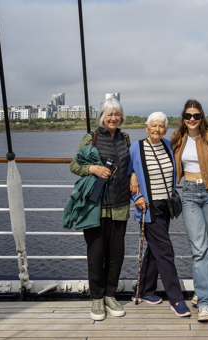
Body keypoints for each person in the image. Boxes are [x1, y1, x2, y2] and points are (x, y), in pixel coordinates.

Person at [69, 98, 132, 321]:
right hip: (96, 206)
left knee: (116, 255)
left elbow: (130, 166)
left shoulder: (125, 138)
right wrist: (92, 168)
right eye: (109, 114)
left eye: (117, 114)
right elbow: (74, 165)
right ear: (102, 116)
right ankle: (97, 297)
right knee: (96, 254)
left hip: (121, 204)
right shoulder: (92, 137)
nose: (113, 118)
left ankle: (110, 295)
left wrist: (133, 176)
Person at [128, 111, 191, 317]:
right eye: (153, 126)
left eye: (161, 126)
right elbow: (127, 174)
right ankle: (177, 299)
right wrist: (135, 191)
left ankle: (143, 291)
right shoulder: (136, 148)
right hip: (148, 207)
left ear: (166, 129)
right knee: (165, 251)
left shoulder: (167, 145)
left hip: (166, 205)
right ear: (146, 128)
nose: (157, 129)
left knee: (155, 249)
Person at [171, 99, 208, 322]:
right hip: (189, 193)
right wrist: (134, 174)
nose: (192, 119)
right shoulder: (177, 138)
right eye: (188, 116)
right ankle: (206, 303)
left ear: (202, 117)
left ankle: (202, 290)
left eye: (196, 115)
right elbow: (157, 154)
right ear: (184, 118)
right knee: (199, 249)